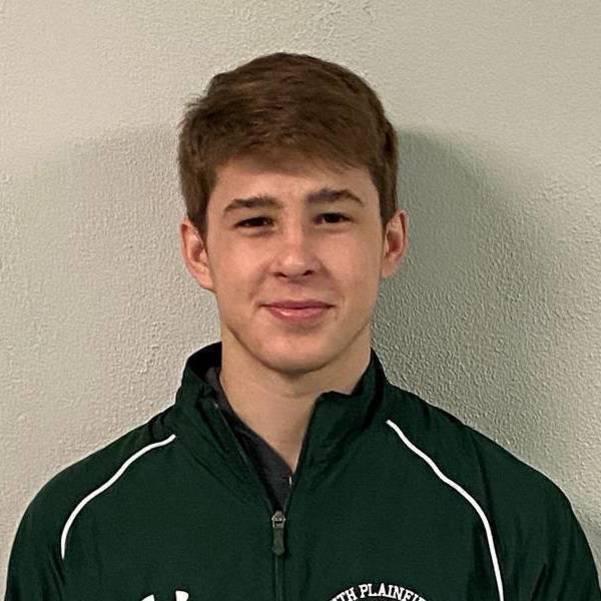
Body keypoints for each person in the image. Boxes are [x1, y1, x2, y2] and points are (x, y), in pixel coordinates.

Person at [4, 52, 600, 601]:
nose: (295, 258)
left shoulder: (514, 525)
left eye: (332, 216)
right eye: (256, 221)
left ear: (390, 242)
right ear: (199, 252)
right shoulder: (75, 529)